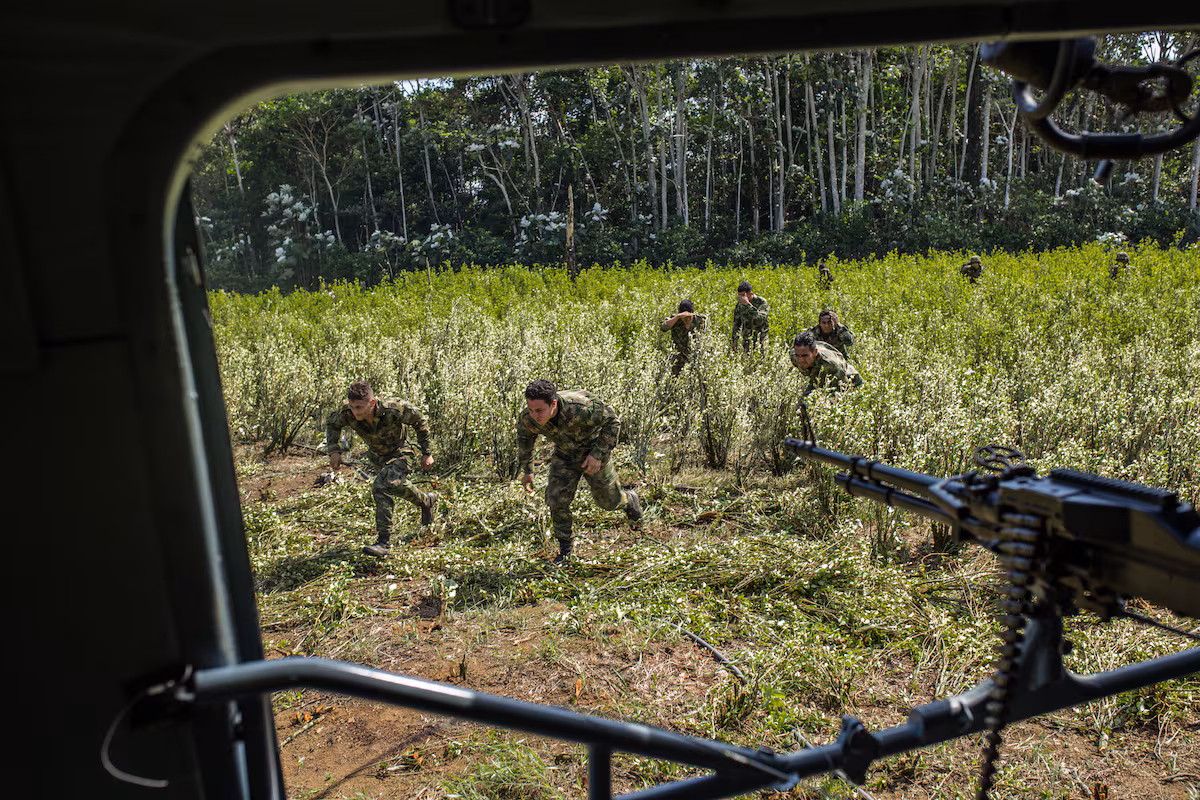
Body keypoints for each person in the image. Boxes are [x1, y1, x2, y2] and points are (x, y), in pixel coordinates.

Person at [517, 379, 642, 565]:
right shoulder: (529, 417)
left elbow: (613, 422)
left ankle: (629, 499)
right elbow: (525, 439)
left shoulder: (582, 407)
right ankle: (566, 551)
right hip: (565, 454)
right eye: (531, 409)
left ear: (553, 404)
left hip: (593, 450)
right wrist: (528, 470)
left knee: (608, 503)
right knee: (555, 500)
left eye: (539, 410)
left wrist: (597, 455)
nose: (535, 415)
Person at [325, 380, 438, 557]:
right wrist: (334, 450)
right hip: (377, 457)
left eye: (359, 407)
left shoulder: (393, 409)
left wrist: (427, 453)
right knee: (394, 484)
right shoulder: (348, 412)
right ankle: (426, 501)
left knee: (381, 486)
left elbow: (420, 420)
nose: (355, 412)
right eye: (352, 406)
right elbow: (332, 423)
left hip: (402, 452)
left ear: (371, 403)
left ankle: (383, 542)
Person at [790, 331, 863, 398]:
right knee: (803, 405)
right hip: (819, 377)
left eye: (805, 356)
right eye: (798, 355)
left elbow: (843, 389)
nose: (801, 360)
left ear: (815, 352)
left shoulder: (831, 364)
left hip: (849, 381)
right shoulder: (794, 356)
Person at [660, 299, 706, 375]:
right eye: (684, 317)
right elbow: (663, 327)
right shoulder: (674, 320)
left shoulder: (699, 320)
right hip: (678, 358)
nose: (687, 319)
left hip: (694, 356)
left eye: (689, 316)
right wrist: (677, 317)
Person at [731, 280, 769, 352]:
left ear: (750, 294)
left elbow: (759, 320)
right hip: (747, 340)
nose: (741, 298)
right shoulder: (740, 305)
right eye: (740, 296)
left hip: (761, 338)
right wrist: (735, 341)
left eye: (743, 296)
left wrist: (747, 305)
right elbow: (736, 324)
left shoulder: (762, 302)